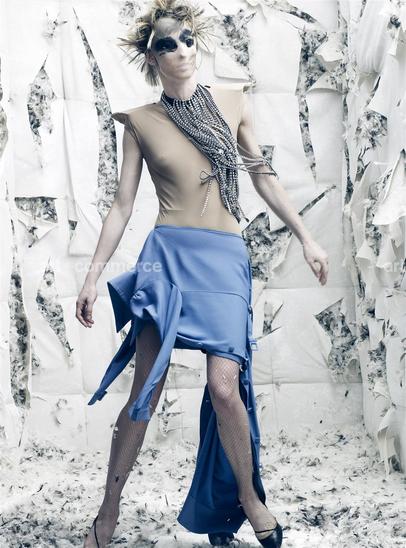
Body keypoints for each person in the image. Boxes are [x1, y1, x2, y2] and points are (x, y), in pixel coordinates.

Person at [77, 1, 328, 547]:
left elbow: (262, 176)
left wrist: (306, 237)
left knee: (224, 386)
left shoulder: (233, 102)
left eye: (187, 39)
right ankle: (107, 513)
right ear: (152, 57)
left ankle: (250, 499)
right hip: (168, 260)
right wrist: (93, 276)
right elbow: (121, 205)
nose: (181, 50)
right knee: (145, 392)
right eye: (167, 44)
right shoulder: (140, 122)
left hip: (225, 258)